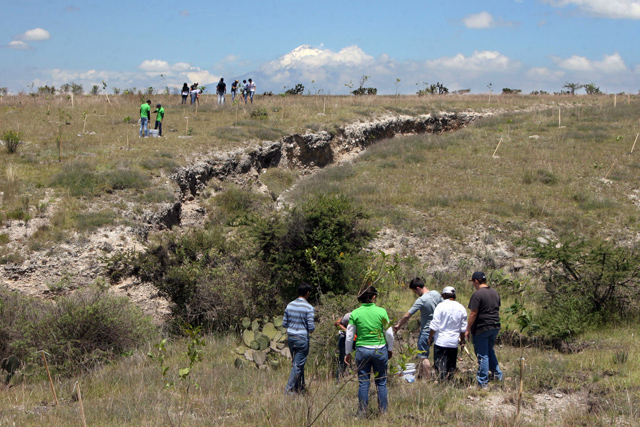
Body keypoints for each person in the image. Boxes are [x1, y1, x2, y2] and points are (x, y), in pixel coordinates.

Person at [345, 286, 394, 416]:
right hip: (379, 350)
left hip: (362, 350)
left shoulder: (355, 313)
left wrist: (348, 352)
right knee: (381, 383)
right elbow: (389, 333)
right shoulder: (381, 312)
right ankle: (383, 413)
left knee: (363, 383)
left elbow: (349, 335)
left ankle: (362, 413)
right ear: (373, 297)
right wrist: (389, 349)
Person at [393, 277, 442, 380]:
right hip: (439, 330)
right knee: (438, 356)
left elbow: (408, 315)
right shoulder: (437, 294)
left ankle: (427, 379)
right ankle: (421, 377)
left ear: (418, 288)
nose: (415, 294)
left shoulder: (422, 300)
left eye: (415, 291)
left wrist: (398, 326)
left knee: (423, 356)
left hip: (426, 331)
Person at [464, 271, 503, 389]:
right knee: (490, 350)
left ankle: (482, 382)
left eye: (473, 282)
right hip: (495, 325)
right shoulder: (495, 292)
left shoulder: (477, 294)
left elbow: (473, 314)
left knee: (482, 355)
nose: (473, 285)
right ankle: (497, 375)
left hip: (482, 327)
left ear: (476, 281)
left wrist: (467, 329)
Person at [428, 286, 467, 381]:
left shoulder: (440, 306)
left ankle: (442, 383)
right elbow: (463, 328)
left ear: (444, 295)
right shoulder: (461, 307)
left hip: (441, 341)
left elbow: (435, 324)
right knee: (451, 365)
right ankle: (449, 382)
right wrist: (462, 340)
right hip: (453, 342)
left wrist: (430, 337)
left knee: (440, 364)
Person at [282, 283, 315, 394]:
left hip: (291, 338)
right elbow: (311, 328)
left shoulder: (289, 305)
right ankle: (289, 390)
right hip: (302, 339)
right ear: (307, 293)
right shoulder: (309, 307)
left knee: (297, 364)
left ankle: (299, 388)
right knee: (298, 365)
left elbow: (284, 323)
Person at [334, 312, 351, 379]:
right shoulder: (349, 315)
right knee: (342, 359)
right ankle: (339, 379)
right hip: (344, 337)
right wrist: (347, 331)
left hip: (356, 338)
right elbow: (337, 324)